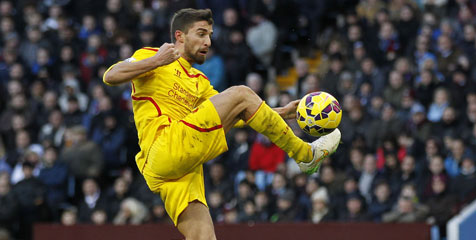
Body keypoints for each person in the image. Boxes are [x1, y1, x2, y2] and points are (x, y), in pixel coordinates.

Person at [103, 8, 340, 239]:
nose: (208, 41)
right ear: (180, 36)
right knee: (242, 92)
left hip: (179, 165)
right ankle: (305, 153)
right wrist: (156, 60)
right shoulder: (151, 55)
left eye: (210, 35)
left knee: (204, 237)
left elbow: (237, 115)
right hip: (164, 145)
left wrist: (281, 112)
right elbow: (111, 76)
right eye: (201, 33)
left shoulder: (200, 82)